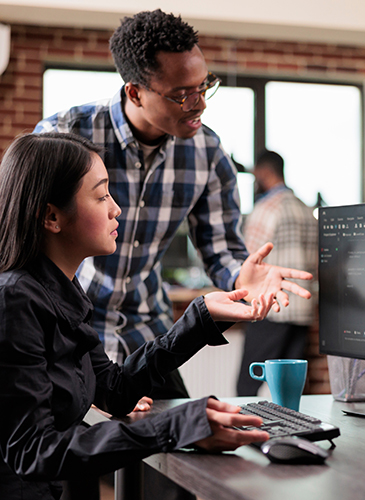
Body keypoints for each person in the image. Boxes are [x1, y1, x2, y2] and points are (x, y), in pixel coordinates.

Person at [33, 8, 312, 401]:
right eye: (182, 94)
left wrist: (240, 279)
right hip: (68, 328)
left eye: (204, 86)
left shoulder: (208, 152)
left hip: (146, 329)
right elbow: (27, 249)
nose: (199, 104)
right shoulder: (66, 136)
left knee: (187, 441)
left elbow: (222, 250)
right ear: (135, 92)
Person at [0, 132, 275, 500]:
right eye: (100, 196)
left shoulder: (61, 291)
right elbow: (33, 451)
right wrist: (173, 426)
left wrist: (201, 317)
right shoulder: (14, 300)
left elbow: (113, 390)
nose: (116, 209)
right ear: (51, 216)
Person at [237, 150, 318, 396]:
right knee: (291, 389)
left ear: (263, 172)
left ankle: (244, 433)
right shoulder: (305, 209)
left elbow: (249, 259)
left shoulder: (266, 208)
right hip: (302, 309)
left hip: (271, 309)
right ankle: (293, 432)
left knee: (246, 386)